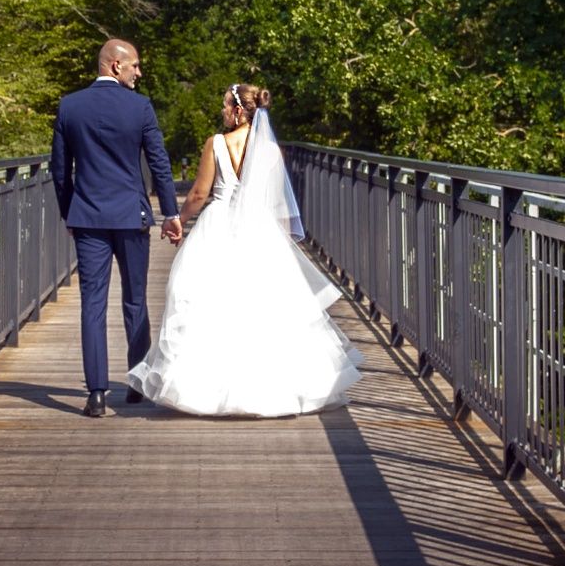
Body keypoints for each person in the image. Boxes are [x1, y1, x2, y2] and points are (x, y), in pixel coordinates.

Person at [128, 83, 363, 417]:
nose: (223, 112)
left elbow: (198, 194)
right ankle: (271, 389)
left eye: (226, 105)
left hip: (218, 225)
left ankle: (205, 389)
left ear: (238, 110)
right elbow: (277, 201)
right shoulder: (271, 150)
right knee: (260, 304)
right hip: (259, 227)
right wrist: (280, 245)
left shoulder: (216, 144)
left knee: (210, 301)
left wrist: (177, 220)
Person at [50, 39, 183, 417]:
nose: (139, 73)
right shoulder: (139, 107)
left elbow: (60, 171)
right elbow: (159, 162)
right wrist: (171, 213)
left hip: (88, 216)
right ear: (114, 66)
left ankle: (96, 394)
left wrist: (69, 213)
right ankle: (137, 383)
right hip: (130, 216)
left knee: (92, 304)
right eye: (135, 66)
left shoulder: (69, 106)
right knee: (135, 299)